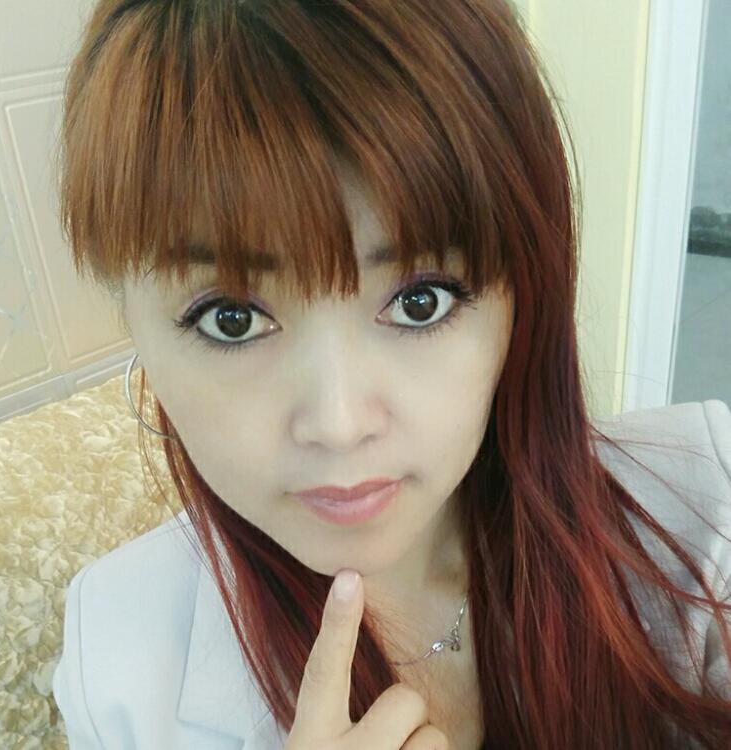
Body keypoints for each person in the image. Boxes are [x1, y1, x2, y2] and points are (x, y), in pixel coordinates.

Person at [51, 0, 731, 748]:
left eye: (419, 301)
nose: (339, 424)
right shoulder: (115, 659)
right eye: (232, 319)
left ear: (523, 298)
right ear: (132, 323)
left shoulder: (706, 522)